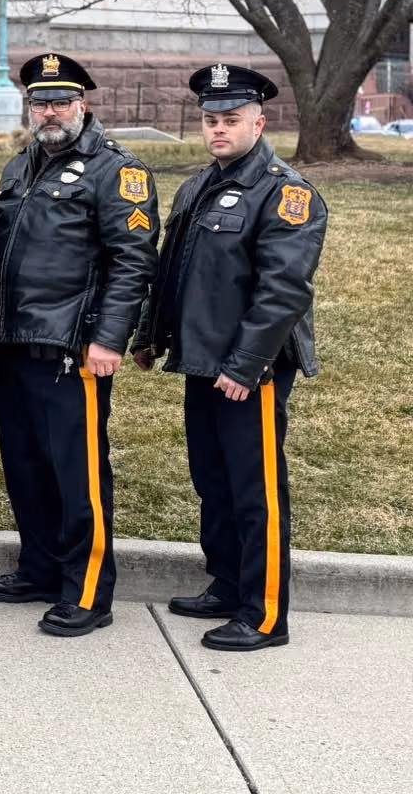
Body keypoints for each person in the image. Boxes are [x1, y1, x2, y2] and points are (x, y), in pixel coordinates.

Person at [133, 64, 327, 652]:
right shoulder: (200, 185)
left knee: (254, 489)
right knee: (212, 480)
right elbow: (174, 271)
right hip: (201, 360)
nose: (218, 129)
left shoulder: (285, 192)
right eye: (211, 120)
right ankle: (226, 583)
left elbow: (283, 292)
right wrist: (151, 333)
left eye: (231, 120)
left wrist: (246, 367)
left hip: (251, 368)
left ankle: (265, 613)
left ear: (259, 122)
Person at [0, 53, 161, 637]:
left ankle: (87, 590)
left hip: (72, 348)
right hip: (16, 341)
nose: (50, 112)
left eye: (61, 101)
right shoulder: (20, 165)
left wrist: (109, 338)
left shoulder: (116, 172)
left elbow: (133, 262)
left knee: (76, 473)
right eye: (40, 102)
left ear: (83, 104)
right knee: (25, 466)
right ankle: (38, 568)